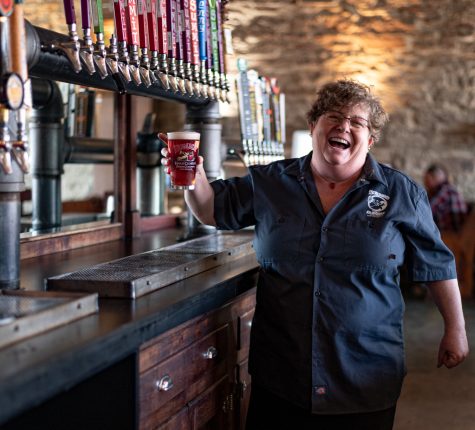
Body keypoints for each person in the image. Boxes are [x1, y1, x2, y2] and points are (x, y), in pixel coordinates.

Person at [161, 79, 469, 430]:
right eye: (334, 116)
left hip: (365, 373)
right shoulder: (271, 182)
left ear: (370, 140)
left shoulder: (402, 193)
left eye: (357, 122)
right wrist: (191, 173)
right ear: (313, 126)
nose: (344, 126)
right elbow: (211, 209)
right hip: (283, 375)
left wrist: (455, 329)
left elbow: (437, 263)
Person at [424, 163, 468, 232]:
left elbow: (426, 211)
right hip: (450, 233)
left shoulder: (447, 191)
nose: (426, 183)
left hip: (452, 235)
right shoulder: (439, 191)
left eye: (427, 179)